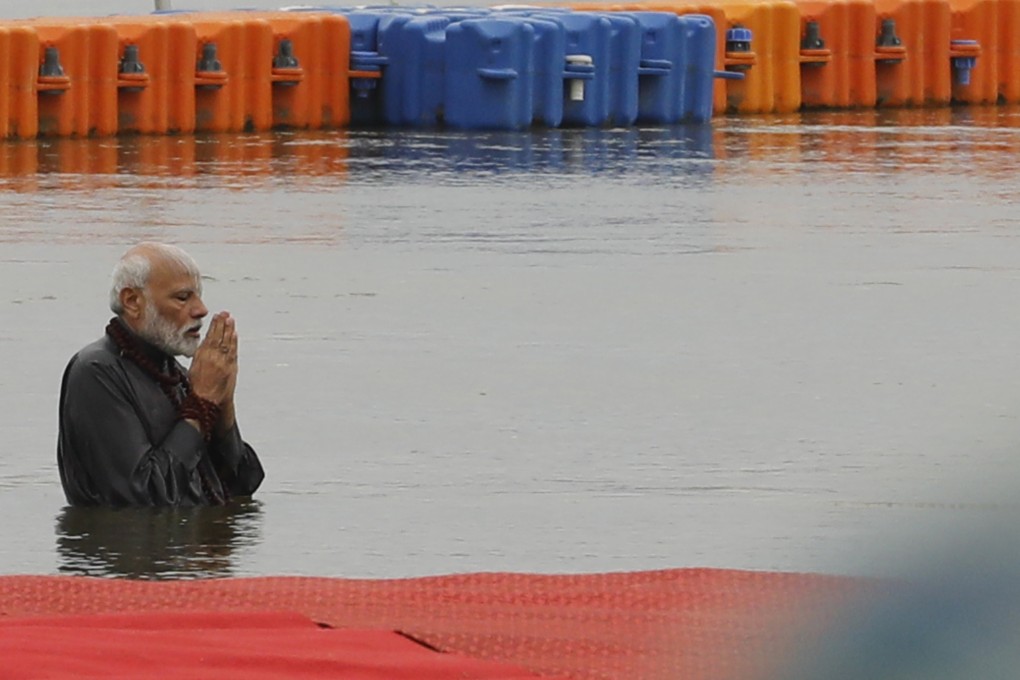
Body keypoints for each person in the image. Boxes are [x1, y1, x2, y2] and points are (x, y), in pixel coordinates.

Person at [57, 242, 264, 506]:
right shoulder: (95, 372)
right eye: (182, 297)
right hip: (131, 546)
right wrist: (202, 403)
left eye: (198, 295)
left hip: (187, 544)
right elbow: (142, 497)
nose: (201, 309)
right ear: (132, 301)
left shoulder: (173, 373)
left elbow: (242, 485)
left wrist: (223, 404)